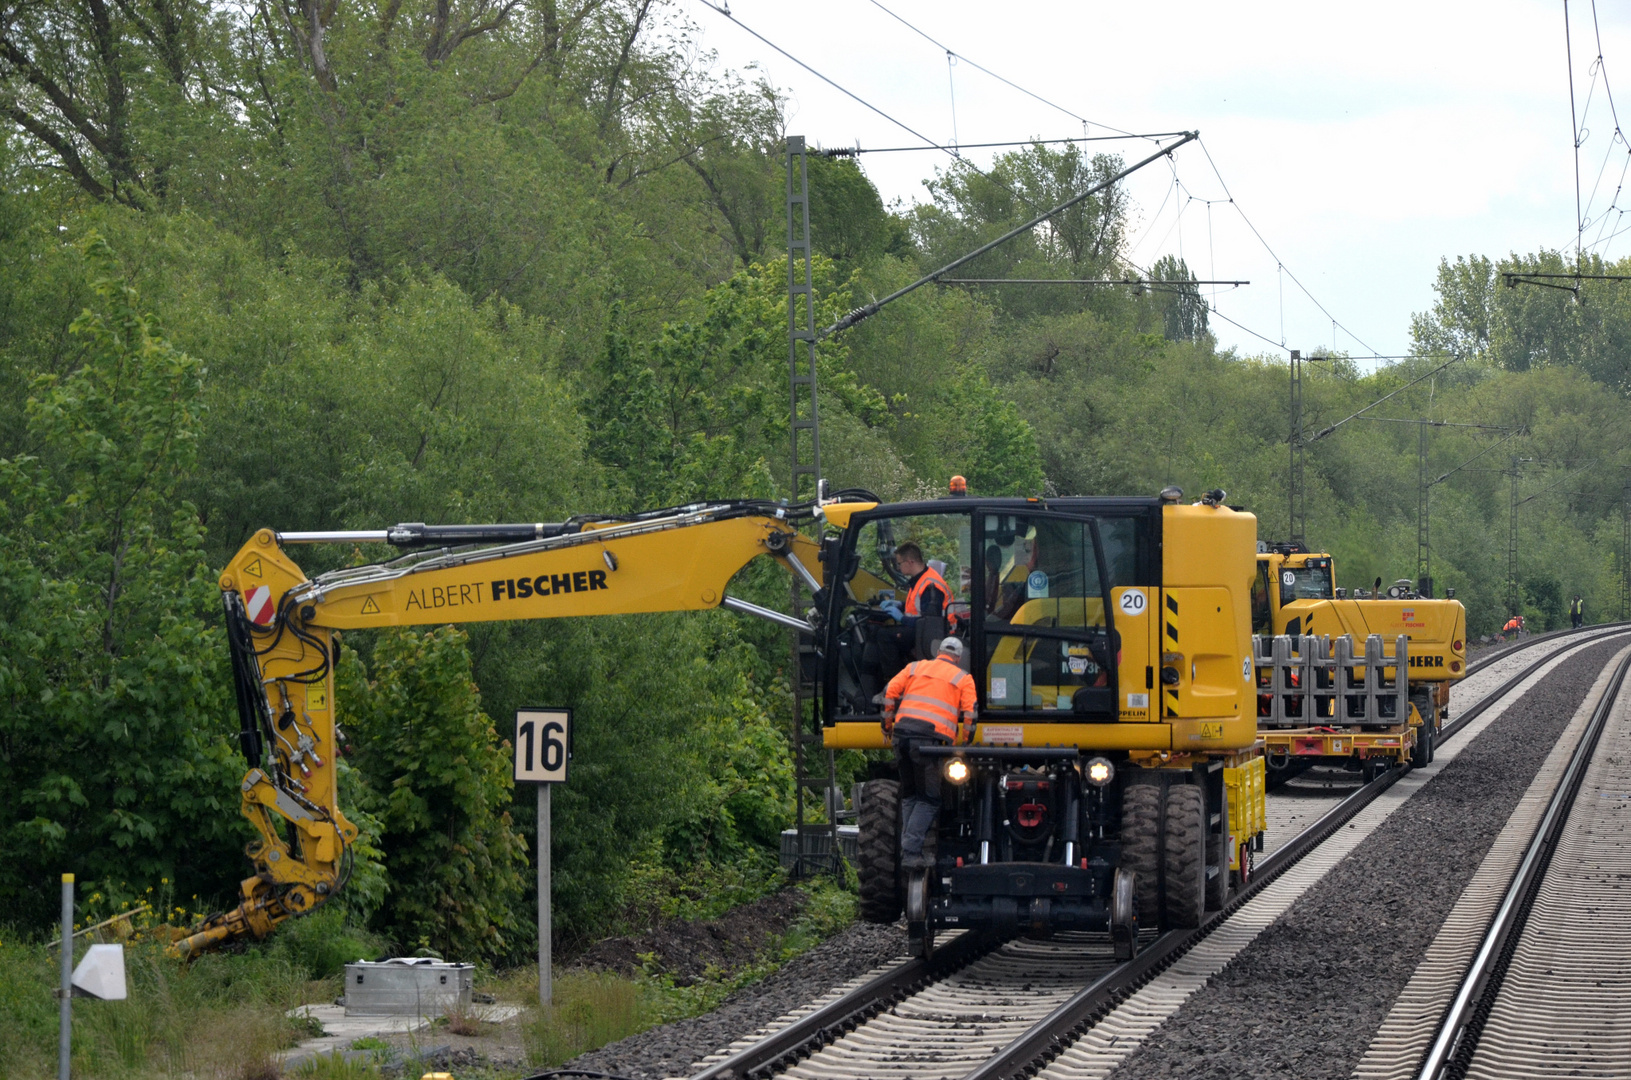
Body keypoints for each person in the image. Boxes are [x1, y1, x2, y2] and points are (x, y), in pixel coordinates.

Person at [883, 637, 978, 868]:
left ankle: (907, 847)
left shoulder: (915, 667)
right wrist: (964, 745)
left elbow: (890, 693)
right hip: (927, 744)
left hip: (901, 738)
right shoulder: (963, 678)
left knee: (910, 794)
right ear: (958, 657)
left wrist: (887, 726)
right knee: (930, 799)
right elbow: (970, 714)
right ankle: (911, 851)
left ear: (938, 651)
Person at [876, 543, 950, 674]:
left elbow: (928, 623)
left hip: (937, 635)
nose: (898, 567)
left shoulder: (930, 586)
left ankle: (894, 682)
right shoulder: (921, 579)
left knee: (884, 635)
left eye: (899, 563)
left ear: (910, 562)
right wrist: (899, 604)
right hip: (924, 629)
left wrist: (902, 618)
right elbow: (918, 605)